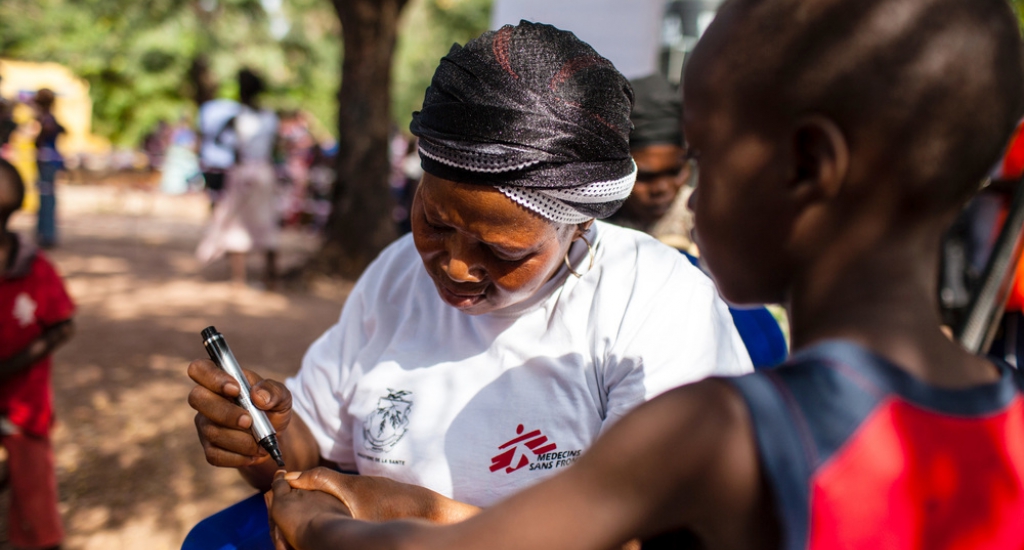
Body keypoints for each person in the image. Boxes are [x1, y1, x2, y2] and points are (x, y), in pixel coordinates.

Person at [262, 0, 1024, 548]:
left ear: (805, 168)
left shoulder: (719, 432)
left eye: (705, 156)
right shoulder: (1011, 423)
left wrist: (333, 525)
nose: (680, 194)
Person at [187, 19, 752, 532]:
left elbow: (659, 540)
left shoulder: (655, 307)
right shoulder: (396, 277)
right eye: (433, 220)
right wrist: (263, 438)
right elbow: (306, 453)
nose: (454, 264)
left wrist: (406, 513)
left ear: (577, 226)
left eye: (501, 251)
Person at [614, 71, 788, 369]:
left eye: (676, 171)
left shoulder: (705, 218)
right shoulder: (591, 228)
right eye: (646, 176)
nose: (663, 189)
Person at [0, 158, 75, 550]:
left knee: (34, 494)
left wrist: (11, 366)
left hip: (23, 405)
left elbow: (64, 324)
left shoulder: (34, 268)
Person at [195, 69, 280, 289]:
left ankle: (238, 280)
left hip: (242, 173)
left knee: (236, 226)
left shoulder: (237, 118)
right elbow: (277, 148)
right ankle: (270, 279)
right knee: (266, 224)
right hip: (264, 173)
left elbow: (220, 140)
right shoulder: (270, 117)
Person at [32, 89, 64, 249]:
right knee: (47, 197)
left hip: (47, 161)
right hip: (50, 161)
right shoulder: (49, 119)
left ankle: (46, 234)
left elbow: (43, 137)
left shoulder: (45, 120)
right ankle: (44, 233)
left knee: (46, 197)